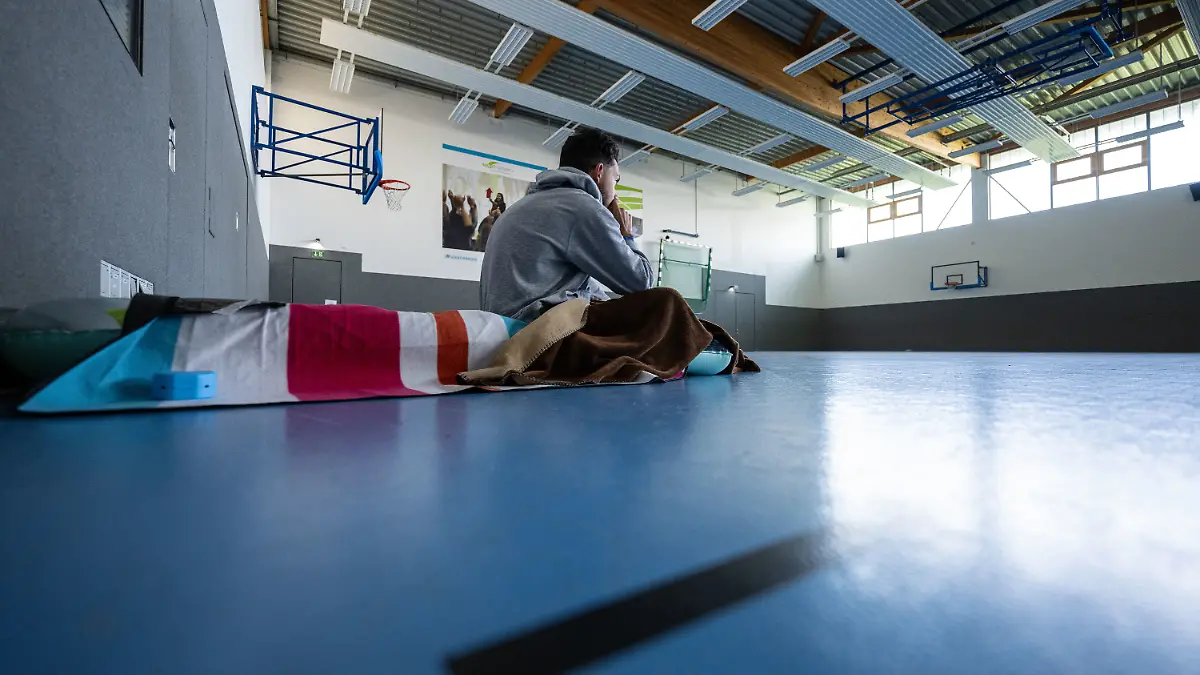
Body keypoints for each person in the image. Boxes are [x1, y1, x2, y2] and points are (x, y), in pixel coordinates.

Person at [480, 128, 654, 322]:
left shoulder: (519, 207)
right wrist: (626, 234)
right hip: (534, 332)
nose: (616, 193)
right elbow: (641, 282)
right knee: (666, 305)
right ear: (599, 172)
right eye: (616, 180)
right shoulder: (584, 208)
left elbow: (583, 287)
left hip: (502, 329)